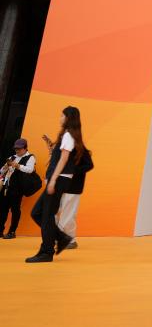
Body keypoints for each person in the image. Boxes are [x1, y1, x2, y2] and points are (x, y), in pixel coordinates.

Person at [26, 106, 86, 263]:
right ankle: (61, 238)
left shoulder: (68, 135)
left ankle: (47, 252)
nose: (60, 118)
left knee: (46, 215)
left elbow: (64, 159)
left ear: (68, 118)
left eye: (62, 115)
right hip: (60, 178)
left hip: (59, 179)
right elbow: (59, 156)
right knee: (38, 213)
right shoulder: (68, 135)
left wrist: (53, 179)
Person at [56, 144, 93, 250]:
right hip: (60, 186)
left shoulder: (80, 149)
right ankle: (59, 238)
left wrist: (73, 170)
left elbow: (89, 165)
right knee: (55, 213)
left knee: (68, 214)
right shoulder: (63, 147)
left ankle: (70, 240)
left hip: (74, 187)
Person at [1, 139, 36, 239]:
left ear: (25, 148)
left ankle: (12, 231)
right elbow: (2, 171)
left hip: (18, 188)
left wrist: (17, 166)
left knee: (15, 210)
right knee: (3, 209)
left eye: (19, 149)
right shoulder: (12, 157)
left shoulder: (30, 157)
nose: (17, 150)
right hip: (7, 186)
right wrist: (6, 166)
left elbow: (30, 170)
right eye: (16, 149)